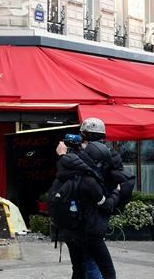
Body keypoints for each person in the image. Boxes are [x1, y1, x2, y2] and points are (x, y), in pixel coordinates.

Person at [53, 118, 121, 279]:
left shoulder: (70, 165)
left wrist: (63, 155)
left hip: (71, 229)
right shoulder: (95, 174)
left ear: (83, 134)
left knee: (79, 270)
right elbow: (107, 204)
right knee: (105, 272)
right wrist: (116, 193)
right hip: (91, 230)